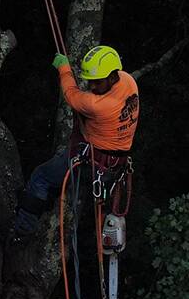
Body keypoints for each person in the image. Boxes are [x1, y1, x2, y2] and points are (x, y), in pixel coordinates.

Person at [12, 45, 140, 238]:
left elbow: (70, 93)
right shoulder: (129, 82)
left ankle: (22, 229)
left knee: (41, 177)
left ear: (113, 77)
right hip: (114, 165)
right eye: (91, 81)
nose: (92, 87)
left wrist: (64, 68)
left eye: (97, 82)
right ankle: (43, 205)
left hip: (93, 164)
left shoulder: (96, 105)